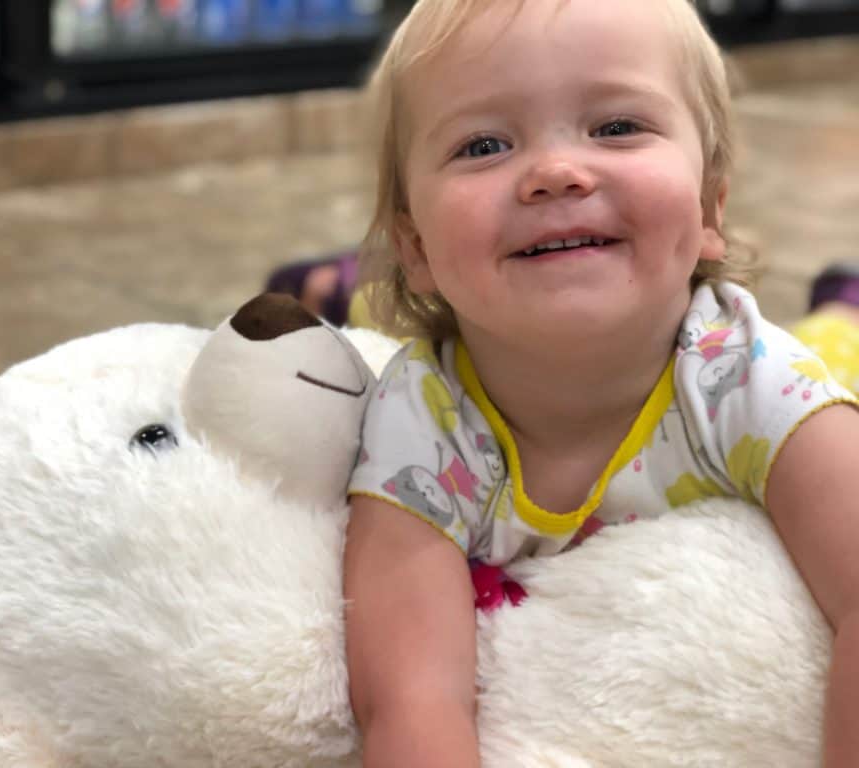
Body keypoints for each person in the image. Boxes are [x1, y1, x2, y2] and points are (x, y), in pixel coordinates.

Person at [331, 1, 859, 766]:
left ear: (712, 206)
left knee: (835, 344)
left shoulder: (744, 375)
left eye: (616, 128)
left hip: (809, 362)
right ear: (414, 247)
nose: (554, 173)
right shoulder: (421, 418)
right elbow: (409, 698)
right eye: (484, 144)